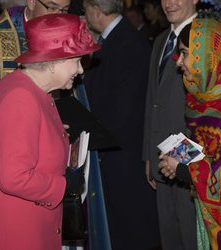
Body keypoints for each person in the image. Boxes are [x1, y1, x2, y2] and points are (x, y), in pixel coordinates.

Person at [0, 13, 99, 250]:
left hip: (29, 223)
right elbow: (13, 178)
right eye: (76, 60)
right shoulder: (21, 98)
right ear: (54, 61)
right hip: (18, 232)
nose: (80, 70)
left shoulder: (31, 88)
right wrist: (63, 185)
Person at [83, 0, 160, 249]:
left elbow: (122, 111)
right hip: (117, 151)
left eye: (85, 9)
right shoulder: (117, 40)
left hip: (124, 156)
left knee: (131, 232)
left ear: (95, 10)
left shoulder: (125, 44)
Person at [158, 18, 221, 250]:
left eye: (185, 53)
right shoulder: (203, 100)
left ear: (206, 55)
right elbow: (208, 152)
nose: (179, 63)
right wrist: (180, 154)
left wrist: (181, 168)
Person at [142, 0, 199, 249]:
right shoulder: (161, 40)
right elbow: (151, 101)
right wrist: (149, 155)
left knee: (191, 237)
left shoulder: (205, 39)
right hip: (161, 160)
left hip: (190, 164)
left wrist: (180, 162)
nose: (170, 3)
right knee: (170, 239)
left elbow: (208, 106)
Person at [0, 0, 71, 126]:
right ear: (32, 2)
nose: (57, 16)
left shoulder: (67, 33)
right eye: (52, 7)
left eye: (64, 10)